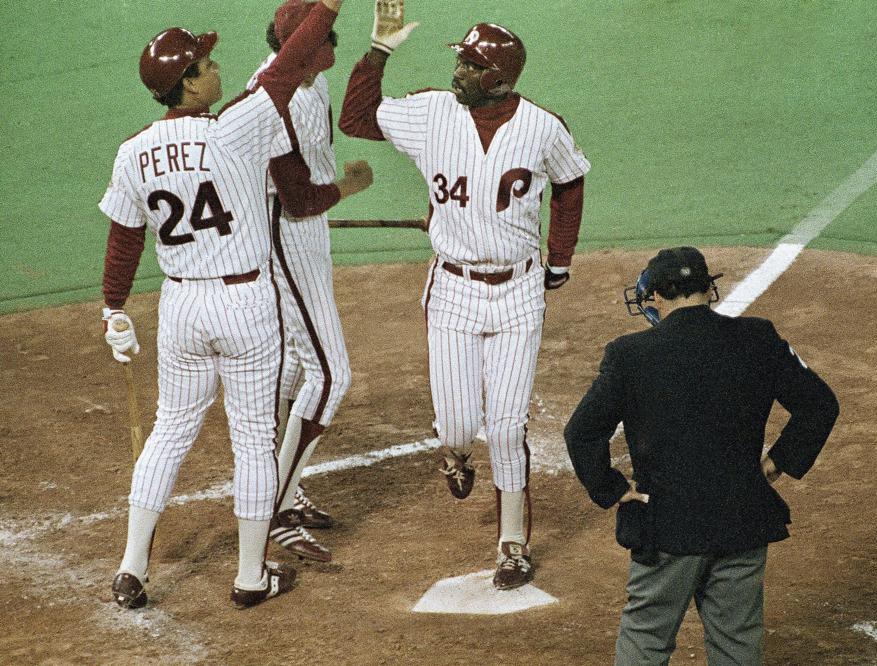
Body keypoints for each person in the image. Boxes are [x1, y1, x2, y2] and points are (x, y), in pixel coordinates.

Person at [99, 0, 346, 610]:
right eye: (205, 63)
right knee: (253, 438)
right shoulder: (238, 124)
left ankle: (132, 567)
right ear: (186, 82)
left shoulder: (134, 151)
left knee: (169, 431)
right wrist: (330, 6)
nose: (217, 67)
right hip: (244, 306)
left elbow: (125, 238)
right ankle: (248, 576)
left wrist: (113, 309)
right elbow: (290, 64)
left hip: (181, 308)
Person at [339, 0, 591, 589]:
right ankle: (454, 453)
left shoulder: (541, 127)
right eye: (460, 61)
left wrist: (560, 260)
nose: (458, 73)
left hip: (519, 290)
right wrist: (379, 49)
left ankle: (511, 546)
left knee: (506, 426)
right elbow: (354, 117)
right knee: (456, 425)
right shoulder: (432, 113)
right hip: (452, 288)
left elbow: (571, 183)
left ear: (498, 79)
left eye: (470, 66)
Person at [564, 247, 839, 665]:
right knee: (737, 643)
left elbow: (582, 431)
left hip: (667, 525)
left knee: (646, 638)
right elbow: (820, 405)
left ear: (656, 297)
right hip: (743, 516)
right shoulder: (759, 338)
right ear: (708, 290)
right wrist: (776, 463)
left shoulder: (630, 354)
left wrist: (612, 489)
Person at [246, 0, 373, 563]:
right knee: (330, 373)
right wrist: (347, 188)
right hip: (285, 233)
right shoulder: (278, 100)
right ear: (298, 46)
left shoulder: (310, 84)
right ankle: (268, 505)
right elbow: (296, 202)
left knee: (297, 365)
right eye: (324, 38)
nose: (333, 45)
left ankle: (283, 490)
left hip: (303, 231)